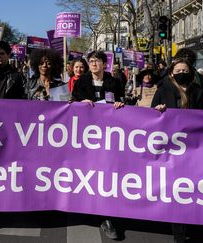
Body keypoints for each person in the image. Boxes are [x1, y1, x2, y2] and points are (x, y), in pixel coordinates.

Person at [151, 58, 203, 243]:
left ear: (191, 73)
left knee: (190, 187)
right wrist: (158, 110)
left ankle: (191, 223)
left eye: (184, 70)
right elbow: (150, 115)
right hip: (170, 147)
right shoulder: (163, 90)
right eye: (178, 70)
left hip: (193, 147)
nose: (181, 73)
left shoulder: (198, 91)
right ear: (171, 73)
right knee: (175, 188)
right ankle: (178, 233)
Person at [69, 50, 123, 240]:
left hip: (109, 135)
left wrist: (119, 104)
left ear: (104, 64)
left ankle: (107, 216)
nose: (93, 64)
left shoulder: (113, 81)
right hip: (86, 135)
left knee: (106, 174)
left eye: (97, 61)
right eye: (91, 61)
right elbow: (72, 103)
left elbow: (122, 100)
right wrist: (80, 103)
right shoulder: (81, 81)